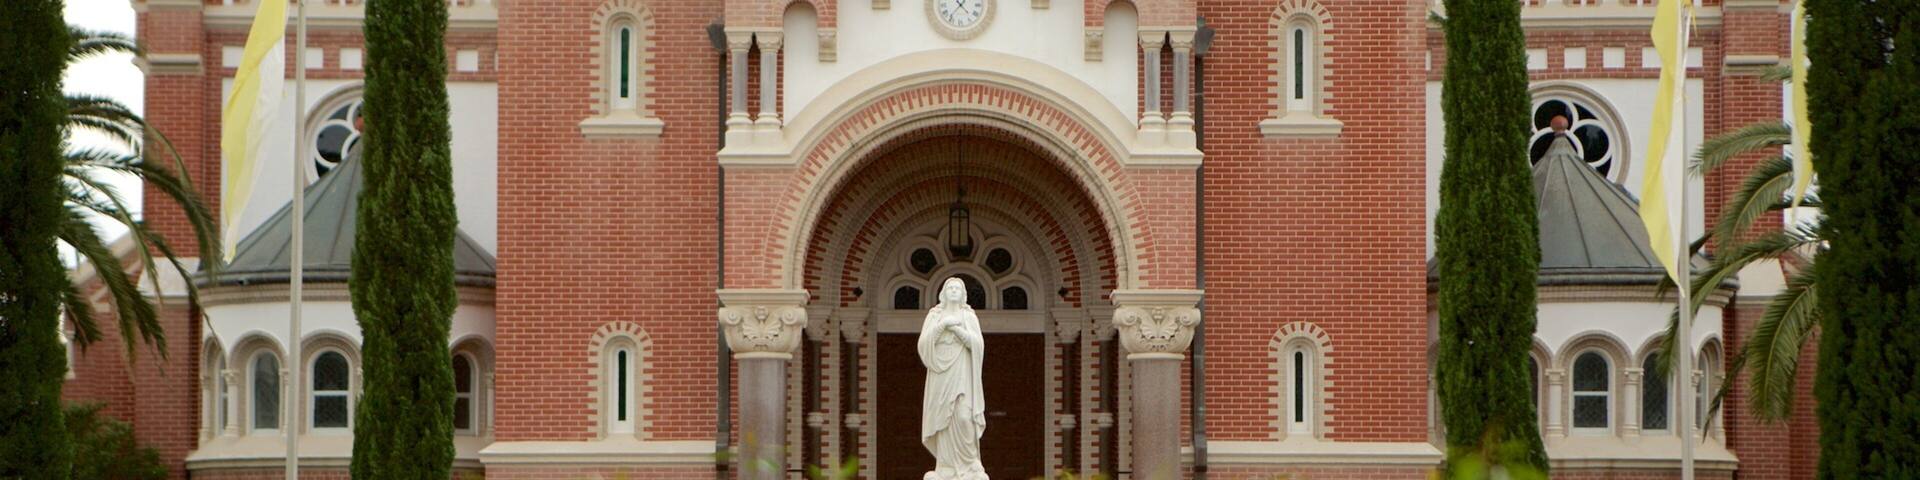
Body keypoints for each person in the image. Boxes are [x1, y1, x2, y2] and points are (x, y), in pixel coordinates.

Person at [918, 277, 988, 480]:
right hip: (941, 375)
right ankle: (946, 467)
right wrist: (943, 325)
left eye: (958, 288)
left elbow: (978, 345)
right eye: (950, 288)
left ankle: (970, 464)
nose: (954, 290)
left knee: (964, 416)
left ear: (964, 294)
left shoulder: (969, 316)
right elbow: (924, 345)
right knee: (943, 419)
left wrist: (956, 329)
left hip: (962, 373)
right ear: (943, 293)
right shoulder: (935, 315)